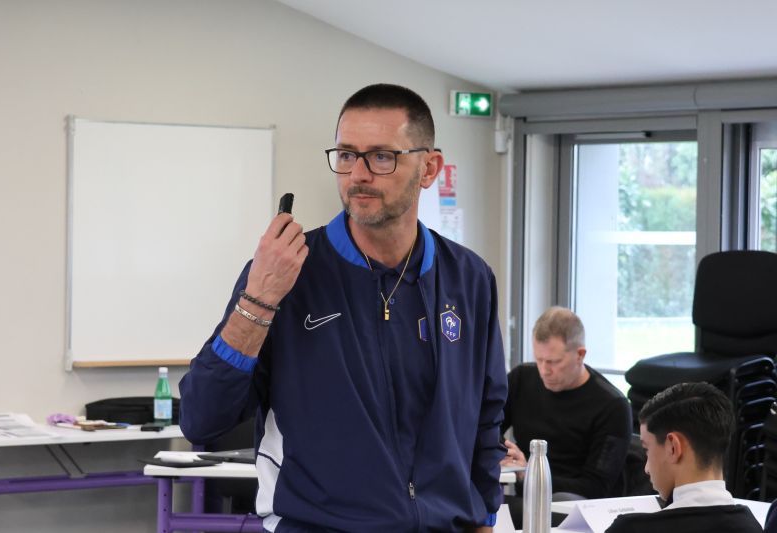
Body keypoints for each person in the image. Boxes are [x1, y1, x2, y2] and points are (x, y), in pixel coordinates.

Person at [179, 83, 508, 532]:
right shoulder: (287, 273)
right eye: (347, 155)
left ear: (429, 168)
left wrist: (485, 516)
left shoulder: (469, 278)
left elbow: (486, 416)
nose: (358, 175)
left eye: (382, 157)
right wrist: (259, 299)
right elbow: (202, 420)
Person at [500, 307, 632, 522]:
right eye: (539, 359)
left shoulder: (612, 406)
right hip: (528, 499)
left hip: (577, 508)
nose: (544, 370)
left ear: (580, 355)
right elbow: (487, 427)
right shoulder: (521, 379)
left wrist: (529, 472)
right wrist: (503, 453)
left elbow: (596, 487)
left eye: (553, 362)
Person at [606, 382, 762, 533]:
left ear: (673, 447)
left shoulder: (630, 528)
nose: (647, 469)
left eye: (647, 449)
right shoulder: (752, 526)